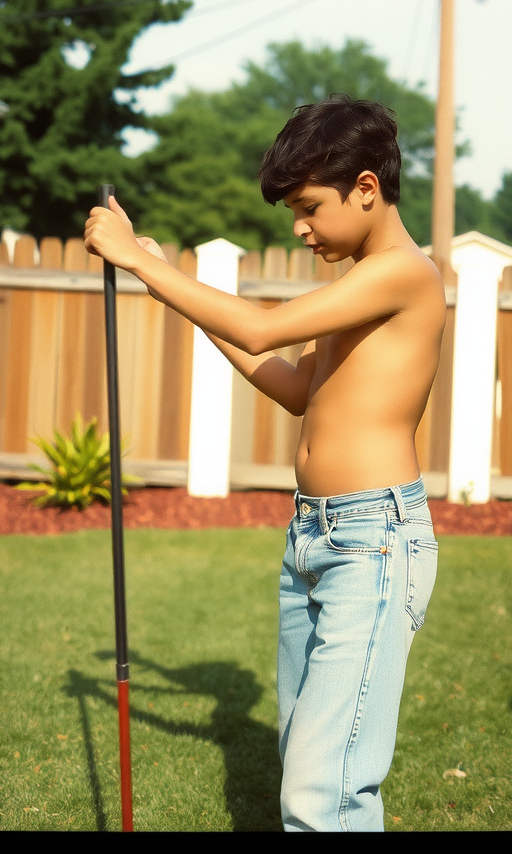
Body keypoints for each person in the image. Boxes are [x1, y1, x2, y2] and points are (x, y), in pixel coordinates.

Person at [84, 94, 446, 831]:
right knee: (309, 764)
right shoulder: (355, 288)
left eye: (309, 206)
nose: (300, 225)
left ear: (367, 188)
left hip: (372, 543)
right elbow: (286, 382)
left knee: (325, 793)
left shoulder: (406, 274)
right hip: (313, 538)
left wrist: (140, 266)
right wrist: (160, 273)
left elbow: (262, 326)